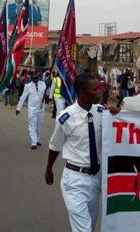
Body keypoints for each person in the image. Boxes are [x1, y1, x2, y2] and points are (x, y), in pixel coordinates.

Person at [45, 73, 120, 232]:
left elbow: (119, 130)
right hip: (75, 179)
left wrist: (116, 115)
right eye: (94, 89)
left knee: (90, 226)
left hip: (96, 178)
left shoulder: (101, 112)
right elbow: (55, 145)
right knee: (84, 229)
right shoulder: (66, 117)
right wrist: (48, 168)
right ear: (82, 92)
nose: (99, 92)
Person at [16, 72, 47, 149]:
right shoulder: (28, 86)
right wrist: (18, 108)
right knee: (32, 125)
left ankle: (36, 140)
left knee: (39, 125)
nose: (36, 79)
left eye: (37, 78)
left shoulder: (43, 84)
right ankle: (33, 142)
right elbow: (23, 97)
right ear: (32, 78)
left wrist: (48, 84)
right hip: (32, 109)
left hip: (41, 108)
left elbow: (45, 93)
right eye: (34, 78)